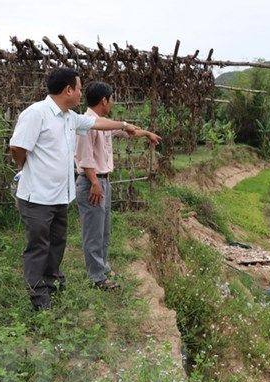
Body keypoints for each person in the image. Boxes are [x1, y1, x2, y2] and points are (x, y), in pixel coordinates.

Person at [9, 68, 140, 310]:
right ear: (68, 90)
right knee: (38, 247)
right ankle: (39, 299)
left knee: (57, 244)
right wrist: (26, 167)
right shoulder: (36, 113)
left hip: (60, 195)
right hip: (36, 196)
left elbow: (96, 123)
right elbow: (17, 148)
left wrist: (124, 124)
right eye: (79, 88)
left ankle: (53, 285)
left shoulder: (69, 117)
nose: (82, 93)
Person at [75, 81, 161, 289]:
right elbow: (84, 158)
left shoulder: (103, 123)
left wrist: (147, 134)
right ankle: (97, 278)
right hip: (92, 183)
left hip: (102, 181)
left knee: (103, 230)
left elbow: (127, 132)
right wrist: (95, 183)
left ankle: (103, 267)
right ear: (104, 100)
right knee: (93, 232)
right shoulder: (86, 124)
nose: (112, 103)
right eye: (111, 99)